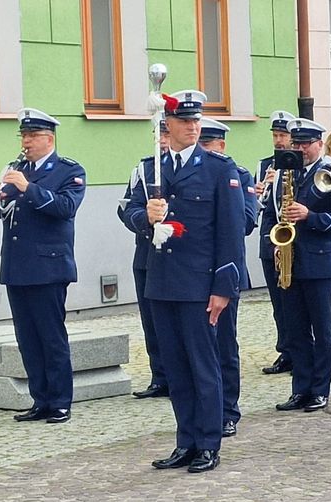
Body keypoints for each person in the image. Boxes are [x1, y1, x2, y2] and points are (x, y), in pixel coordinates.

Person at [124, 90, 244, 473]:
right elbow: (126, 210)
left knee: (203, 366)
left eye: (197, 122)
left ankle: (208, 443)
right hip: (161, 282)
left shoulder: (218, 169)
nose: (193, 127)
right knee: (175, 367)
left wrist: (225, 287)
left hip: (199, 284)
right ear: (168, 126)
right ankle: (186, 440)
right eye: (185, 122)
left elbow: (230, 232)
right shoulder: (152, 168)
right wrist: (145, 215)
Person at [0, 109, 85, 425]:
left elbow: (66, 208)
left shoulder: (68, 171)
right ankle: (40, 399)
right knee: (27, 338)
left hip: (48, 267)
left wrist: (28, 187)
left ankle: (60, 401)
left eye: (32, 136)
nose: (25, 142)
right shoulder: (16, 169)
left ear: (48, 138)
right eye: (23, 136)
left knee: (51, 336)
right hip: (18, 265)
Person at [197, 117, 260, 437]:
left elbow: (247, 221)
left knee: (223, 344)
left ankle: (228, 410)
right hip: (194, 273)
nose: (202, 150)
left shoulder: (238, 174)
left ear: (221, 145)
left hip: (225, 271)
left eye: (207, 144)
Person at [270, 118, 331, 415]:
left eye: (306, 144)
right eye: (296, 144)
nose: (300, 149)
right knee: (295, 330)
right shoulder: (289, 173)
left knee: (321, 331)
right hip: (290, 260)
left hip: (319, 261)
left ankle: (320, 390)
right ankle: (300, 388)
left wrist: (309, 215)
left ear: (318, 144)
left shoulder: (330, 174)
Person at [122, 116, 171, 400]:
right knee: (150, 320)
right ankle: (159, 376)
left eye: (165, 133)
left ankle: (177, 376)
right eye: (158, 134)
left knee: (171, 320)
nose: (162, 140)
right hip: (146, 253)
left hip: (175, 256)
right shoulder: (144, 169)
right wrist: (143, 220)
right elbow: (129, 208)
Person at [256, 110, 296, 375]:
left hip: (293, 240)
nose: (279, 141)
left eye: (283, 135)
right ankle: (285, 350)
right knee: (277, 303)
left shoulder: (296, 163)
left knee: (293, 301)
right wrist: (259, 192)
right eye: (276, 135)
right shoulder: (265, 165)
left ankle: (299, 351)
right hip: (270, 239)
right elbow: (262, 208)